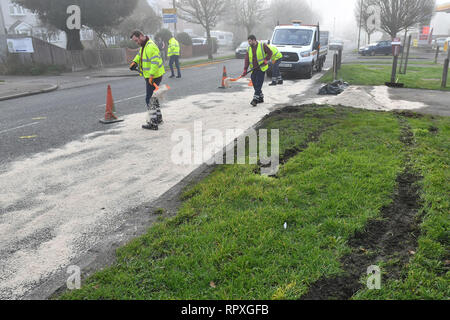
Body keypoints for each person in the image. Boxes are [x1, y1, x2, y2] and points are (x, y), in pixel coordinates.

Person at [129, 30, 165, 131]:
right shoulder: (144, 46)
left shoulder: (150, 46)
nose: (137, 43)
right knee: (153, 97)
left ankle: (153, 123)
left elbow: (155, 62)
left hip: (154, 76)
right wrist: (134, 62)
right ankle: (158, 119)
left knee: (149, 99)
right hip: (151, 76)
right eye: (135, 41)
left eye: (137, 40)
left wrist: (151, 76)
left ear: (141, 36)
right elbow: (139, 55)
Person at [242, 35, 273, 107]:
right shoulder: (249, 48)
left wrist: (266, 59)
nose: (249, 43)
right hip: (254, 69)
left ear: (254, 40)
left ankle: (255, 99)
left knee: (258, 84)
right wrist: (245, 69)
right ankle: (261, 97)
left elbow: (270, 53)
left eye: (250, 41)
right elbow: (247, 60)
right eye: (248, 41)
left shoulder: (262, 45)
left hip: (261, 68)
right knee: (254, 83)